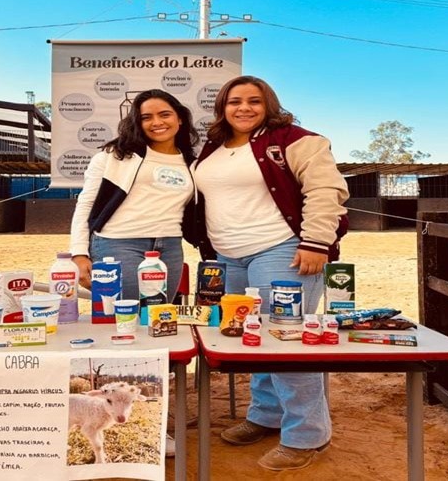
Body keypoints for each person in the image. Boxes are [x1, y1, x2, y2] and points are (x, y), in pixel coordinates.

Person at [191, 75, 349, 471]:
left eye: (254, 101)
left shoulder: (297, 140)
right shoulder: (212, 148)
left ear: (269, 105)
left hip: (282, 251)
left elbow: (325, 190)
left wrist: (316, 242)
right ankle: (267, 414)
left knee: (286, 340)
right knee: (252, 338)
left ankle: (307, 435)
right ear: (222, 107)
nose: (243, 108)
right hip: (226, 256)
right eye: (234, 101)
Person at [70, 88, 199, 302]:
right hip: (118, 243)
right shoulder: (114, 156)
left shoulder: (192, 163)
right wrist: (79, 253)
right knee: (125, 315)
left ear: (180, 118)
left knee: (158, 316)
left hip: (170, 246)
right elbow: (86, 204)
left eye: (165, 114)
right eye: (146, 117)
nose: (156, 122)